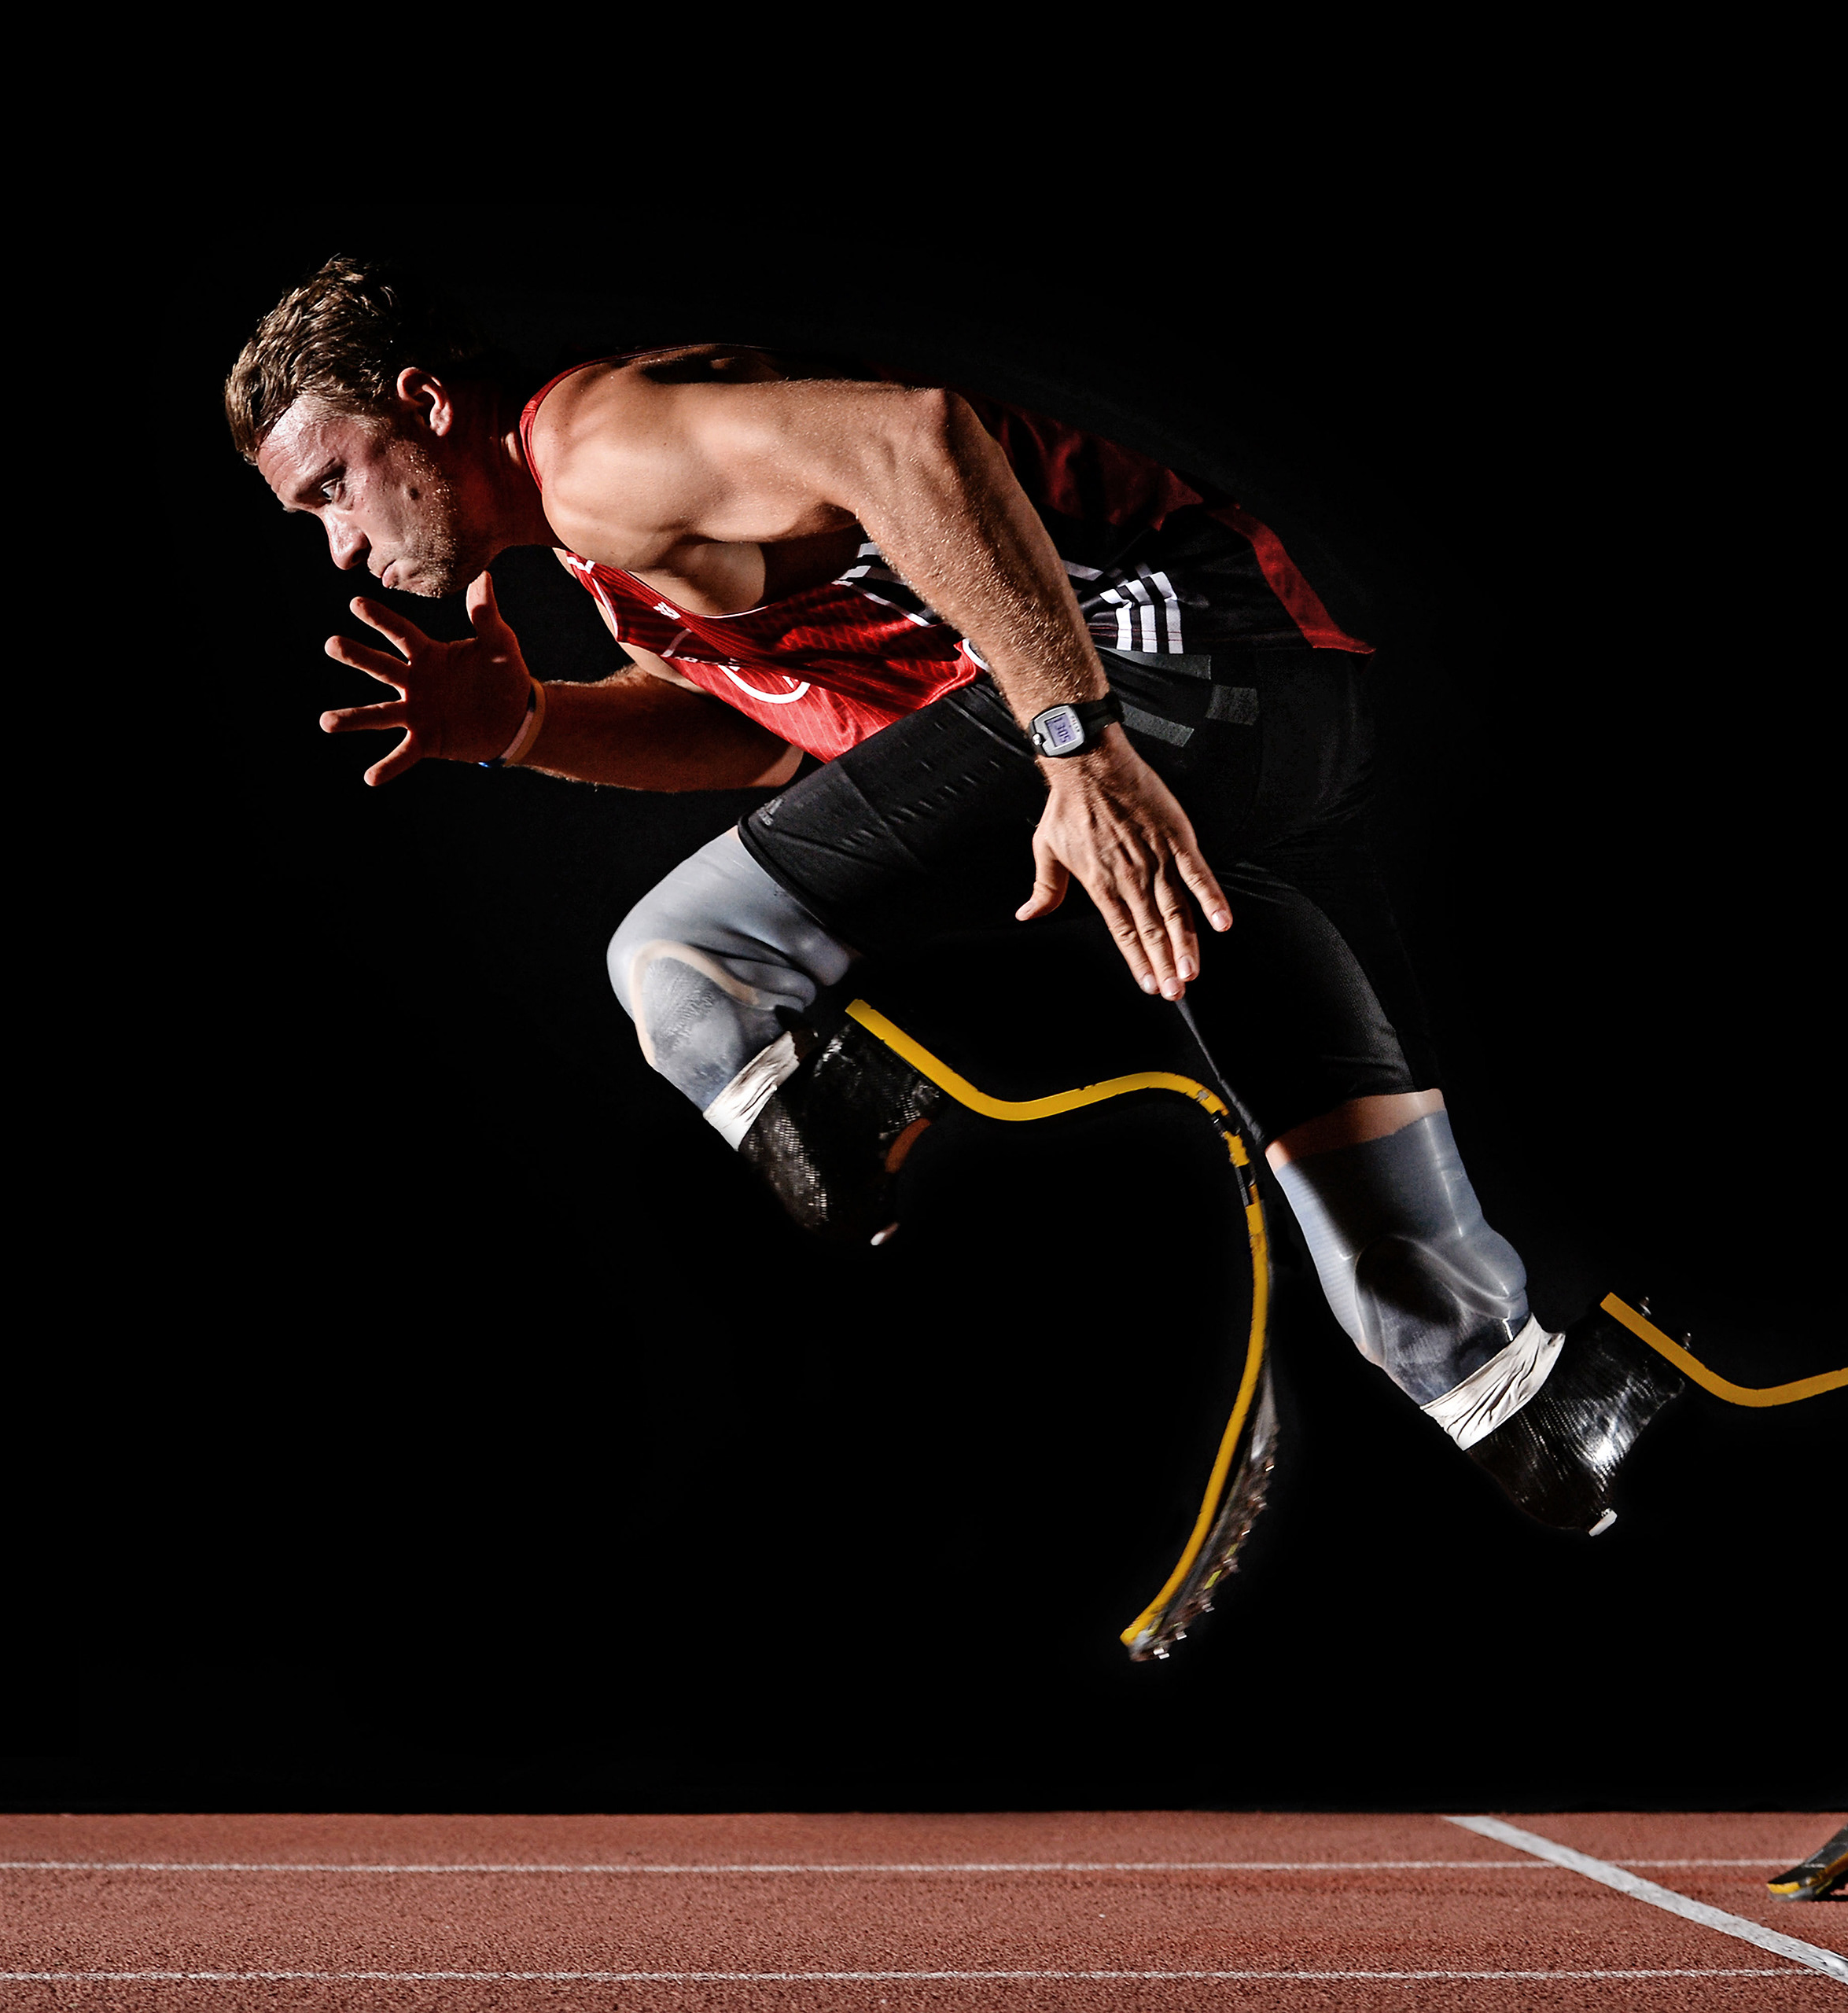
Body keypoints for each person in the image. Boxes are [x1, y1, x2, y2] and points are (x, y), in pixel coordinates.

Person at [226, 257, 1688, 1646]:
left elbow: (914, 442)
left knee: (688, 960)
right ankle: (1663, 1458)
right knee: (1432, 1320)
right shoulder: (608, 548)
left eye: (332, 487)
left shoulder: (601, 448)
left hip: (1185, 673)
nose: (338, 540)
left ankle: (1008, 1243)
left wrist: (1076, 739)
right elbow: (752, 735)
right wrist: (533, 725)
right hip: (1227, 722)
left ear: (424, 402)